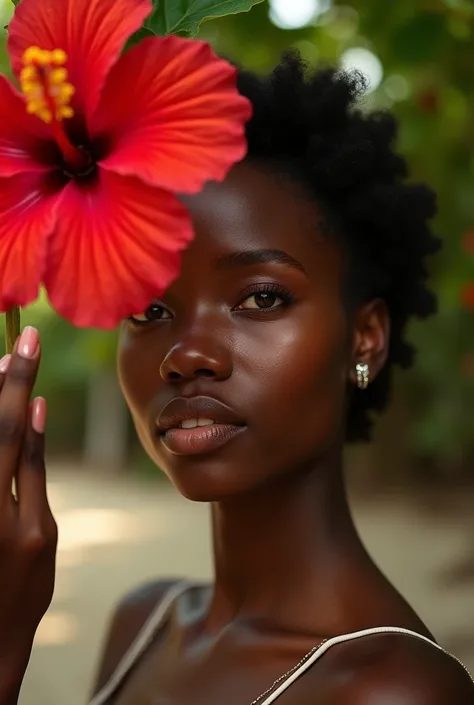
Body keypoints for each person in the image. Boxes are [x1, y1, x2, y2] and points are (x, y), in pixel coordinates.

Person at [0, 53, 472, 705]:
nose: (186, 354)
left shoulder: (394, 691)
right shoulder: (145, 620)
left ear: (365, 336)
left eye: (260, 298)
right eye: (150, 309)